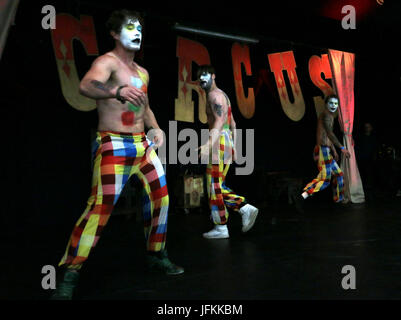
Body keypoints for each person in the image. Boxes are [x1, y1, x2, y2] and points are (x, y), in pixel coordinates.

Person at [51, 9, 183, 300]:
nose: (137, 32)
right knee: (100, 207)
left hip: (142, 144)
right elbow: (86, 85)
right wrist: (116, 91)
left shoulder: (142, 72)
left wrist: (157, 128)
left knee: (161, 197)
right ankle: (70, 273)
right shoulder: (106, 62)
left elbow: (144, 106)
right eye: (130, 27)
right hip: (113, 143)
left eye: (140, 28)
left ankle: (156, 254)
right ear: (114, 33)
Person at [197, 65, 259, 239]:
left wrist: (209, 144)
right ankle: (225, 223)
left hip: (218, 143)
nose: (201, 79)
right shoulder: (224, 95)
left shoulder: (213, 96)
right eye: (199, 76)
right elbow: (233, 124)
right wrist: (236, 148)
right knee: (218, 185)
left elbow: (218, 121)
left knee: (213, 187)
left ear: (213, 76)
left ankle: (239, 212)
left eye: (205, 74)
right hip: (226, 142)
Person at [301, 94, 351, 203]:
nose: (333, 105)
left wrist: (333, 150)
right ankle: (304, 195)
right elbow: (329, 133)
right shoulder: (326, 115)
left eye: (336, 103)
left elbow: (327, 135)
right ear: (326, 104)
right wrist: (341, 148)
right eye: (331, 103)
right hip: (322, 150)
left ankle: (339, 198)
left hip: (326, 151)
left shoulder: (329, 116)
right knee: (326, 180)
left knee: (339, 175)